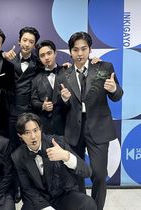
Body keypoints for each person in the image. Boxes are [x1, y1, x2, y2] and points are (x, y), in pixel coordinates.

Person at [60, 31, 123, 210]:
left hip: (98, 127)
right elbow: (61, 107)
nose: (80, 54)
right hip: (73, 129)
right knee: (77, 173)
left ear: (90, 50)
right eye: (75, 50)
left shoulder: (104, 68)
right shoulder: (63, 73)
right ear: (70, 51)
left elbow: (118, 96)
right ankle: (83, 206)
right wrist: (63, 100)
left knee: (99, 175)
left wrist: (113, 89)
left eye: (83, 49)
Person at [11, 112, 97, 210]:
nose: (33, 136)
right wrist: (46, 208)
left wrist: (66, 156)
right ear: (20, 135)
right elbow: (28, 189)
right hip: (39, 200)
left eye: (35, 130)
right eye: (27, 132)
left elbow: (87, 172)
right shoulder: (17, 156)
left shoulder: (57, 142)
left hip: (64, 195)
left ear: (40, 129)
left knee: (88, 204)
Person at [31, 40, 68, 136]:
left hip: (68, 125)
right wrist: (42, 106)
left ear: (55, 53)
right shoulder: (36, 79)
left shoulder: (67, 72)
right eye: (42, 55)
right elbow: (34, 101)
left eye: (49, 53)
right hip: (46, 127)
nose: (46, 58)